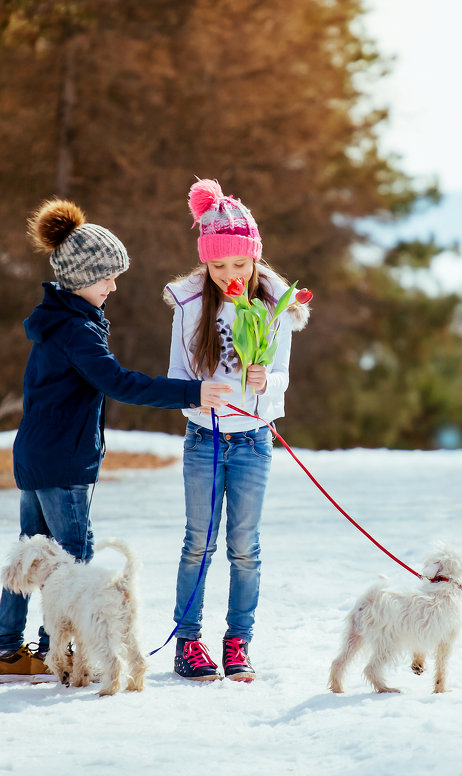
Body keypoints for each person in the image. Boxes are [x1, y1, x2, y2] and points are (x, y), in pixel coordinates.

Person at [0, 198, 232, 685]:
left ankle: (9, 652)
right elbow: (119, 383)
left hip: (36, 457)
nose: (114, 286)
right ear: (80, 279)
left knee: (29, 554)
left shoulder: (55, 323)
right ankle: (67, 654)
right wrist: (193, 392)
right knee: (71, 559)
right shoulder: (77, 331)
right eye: (107, 278)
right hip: (62, 464)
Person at [161, 178, 310, 682]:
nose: (230, 275)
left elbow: (284, 377)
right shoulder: (190, 308)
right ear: (204, 263)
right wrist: (196, 395)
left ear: (255, 260)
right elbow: (177, 378)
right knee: (198, 544)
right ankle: (189, 642)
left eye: (240, 265)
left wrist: (265, 384)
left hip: (253, 442)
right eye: (218, 265)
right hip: (204, 439)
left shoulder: (274, 308)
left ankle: (238, 638)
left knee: (244, 545)